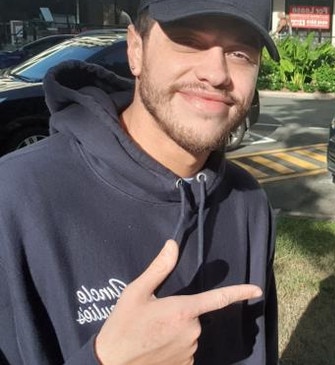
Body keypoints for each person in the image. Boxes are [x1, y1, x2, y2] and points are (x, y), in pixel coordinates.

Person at [0, 0, 280, 364]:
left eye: (240, 53)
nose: (216, 73)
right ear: (136, 49)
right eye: (189, 41)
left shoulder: (249, 203)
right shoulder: (16, 196)